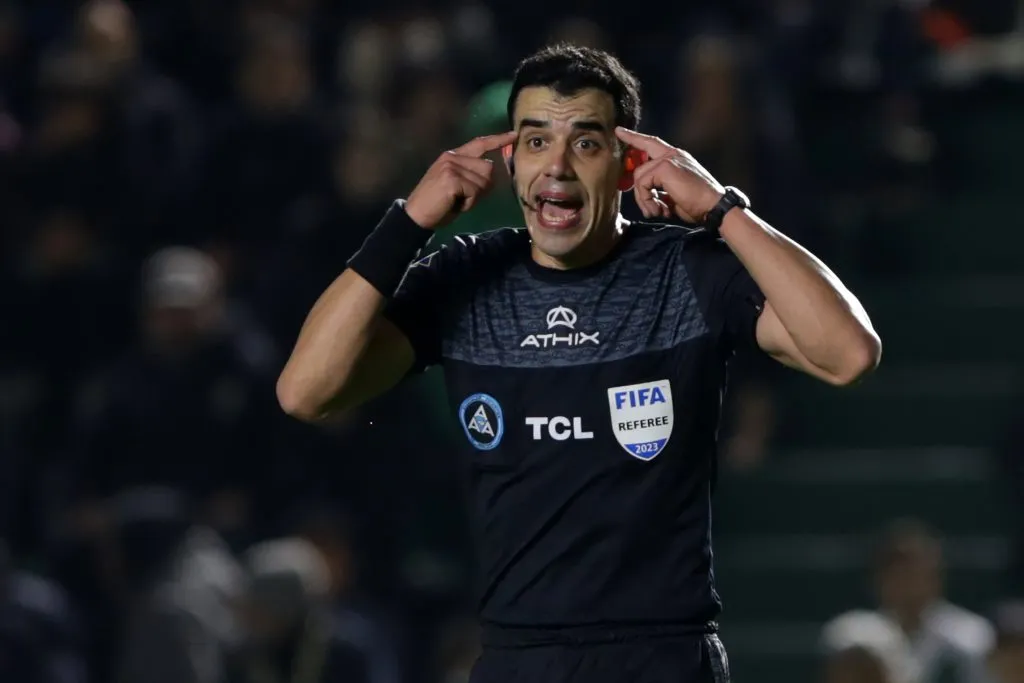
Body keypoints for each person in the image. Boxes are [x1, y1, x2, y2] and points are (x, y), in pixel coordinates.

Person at [277, 44, 881, 683]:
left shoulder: (686, 270)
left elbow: (847, 353)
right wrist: (409, 223)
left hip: (662, 660)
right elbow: (304, 392)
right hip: (520, 661)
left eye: (586, 144)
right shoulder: (464, 276)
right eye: (536, 142)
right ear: (512, 162)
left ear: (627, 164)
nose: (557, 167)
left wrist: (723, 211)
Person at [823, 519, 994, 683]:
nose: (908, 583)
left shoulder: (971, 635)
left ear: (937, 576)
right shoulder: (852, 632)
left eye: (918, 573)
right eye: (897, 572)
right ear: (878, 578)